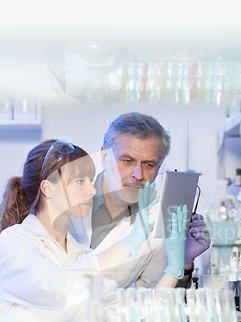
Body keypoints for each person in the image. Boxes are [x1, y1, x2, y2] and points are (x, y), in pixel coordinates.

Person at [0, 139, 187, 322]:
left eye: (90, 180)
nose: (92, 190)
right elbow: (56, 288)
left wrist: (174, 270)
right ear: (48, 188)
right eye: (80, 181)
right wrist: (131, 241)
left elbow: (129, 318)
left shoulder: (81, 255)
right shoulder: (13, 242)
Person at [69, 112, 210, 289]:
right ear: (105, 157)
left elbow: (155, 299)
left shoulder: (159, 219)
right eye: (127, 160)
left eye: (149, 164)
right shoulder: (67, 200)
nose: (138, 174)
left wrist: (185, 262)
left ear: (160, 166)